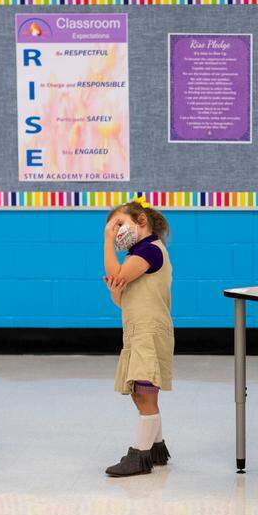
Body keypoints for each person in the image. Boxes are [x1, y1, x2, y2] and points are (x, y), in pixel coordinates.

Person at [102, 196, 174, 478]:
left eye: (119, 224)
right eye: (112, 228)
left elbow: (116, 272)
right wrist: (116, 293)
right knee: (142, 392)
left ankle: (140, 456)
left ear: (141, 221)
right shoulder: (140, 254)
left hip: (148, 331)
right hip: (138, 329)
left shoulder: (150, 251)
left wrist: (107, 241)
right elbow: (126, 295)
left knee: (144, 393)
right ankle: (156, 448)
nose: (116, 231)